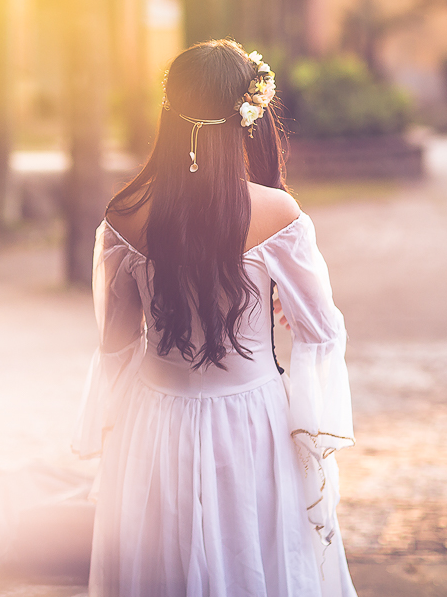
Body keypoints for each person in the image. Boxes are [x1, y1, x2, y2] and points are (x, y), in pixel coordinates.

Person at [72, 39, 357, 597]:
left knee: (164, 570)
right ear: (246, 119)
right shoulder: (278, 214)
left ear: (170, 115)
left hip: (153, 422)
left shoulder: (126, 213)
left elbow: (117, 343)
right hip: (250, 421)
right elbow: (322, 333)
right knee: (254, 558)